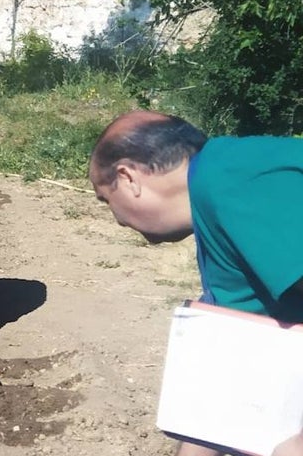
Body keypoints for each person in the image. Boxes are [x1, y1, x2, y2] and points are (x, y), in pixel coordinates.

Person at [89, 110, 303, 456]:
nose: (116, 219)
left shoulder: (233, 180)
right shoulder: (216, 206)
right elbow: (227, 371)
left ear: (128, 178)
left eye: (105, 199)